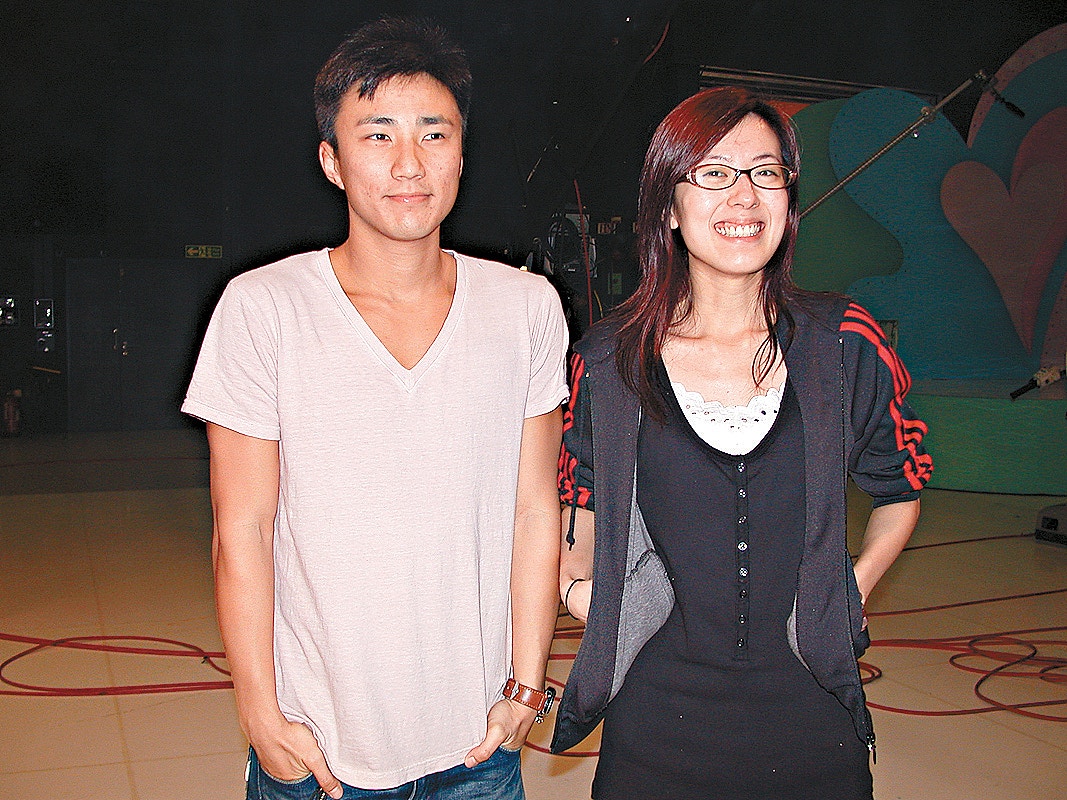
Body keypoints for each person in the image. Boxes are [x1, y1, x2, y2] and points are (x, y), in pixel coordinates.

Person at [182, 17, 569, 800]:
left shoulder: (526, 307)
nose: (408, 163)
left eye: (433, 133)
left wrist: (526, 686)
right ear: (332, 160)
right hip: (318, 749)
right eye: (378, 134)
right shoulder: (264, 309)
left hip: (477, 749)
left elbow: (535, 510)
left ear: (461, 154)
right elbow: (242, 527)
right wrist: (260, 715)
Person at [551, 87, 933, 799]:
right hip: (655, 725)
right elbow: (578, 502)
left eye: (765, 172)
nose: (744, 196)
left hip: (812, 719)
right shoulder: (610, 362)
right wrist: (583, 593)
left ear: (788, 198)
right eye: (714, 173)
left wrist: (847, 591)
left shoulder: (843, 343)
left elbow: (900, 486)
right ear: (668, 206)